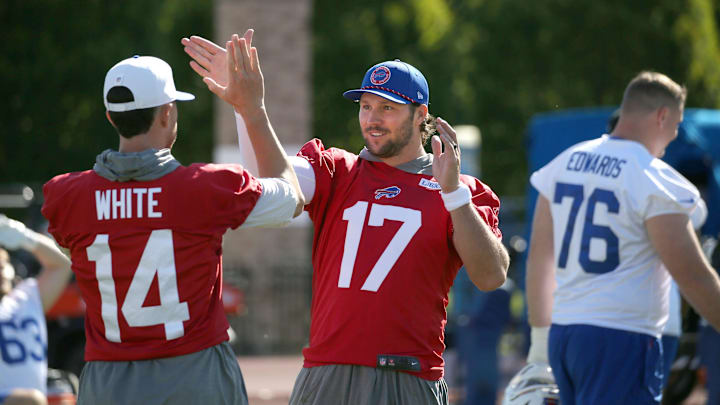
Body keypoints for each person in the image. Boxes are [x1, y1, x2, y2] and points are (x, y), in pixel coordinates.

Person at [182, 31, 509, 405]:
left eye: (388, 108)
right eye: (366, 106)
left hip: (407, 376)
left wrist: (453, 194)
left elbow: (490, 276)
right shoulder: (338, 170)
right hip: (327, 373)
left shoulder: (458, 188)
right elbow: (271, 185)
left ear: (421, 116)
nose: (372, 119)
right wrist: (249, 110)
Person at [41, 33, 305, 405]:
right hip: (193, 376)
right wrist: (251, 108)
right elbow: (292, 197)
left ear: (110, 117)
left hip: (108, 383)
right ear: (167, 112)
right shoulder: (206, 188)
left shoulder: (66, 195)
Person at [524, 71, 720, 404]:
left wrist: (540, 340)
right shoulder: (656, 180)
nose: (673, 135)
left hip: (564, 334)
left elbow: (540, 261)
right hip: (622, 337)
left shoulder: (562, 164)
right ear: (662, 116)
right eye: (675, 126)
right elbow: (693, 277)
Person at [0, 215, 73, 405]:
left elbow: (63, 264)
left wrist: (23, 237)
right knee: (31, 400)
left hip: (32, 398)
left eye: (3, 264)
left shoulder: (26, 297)